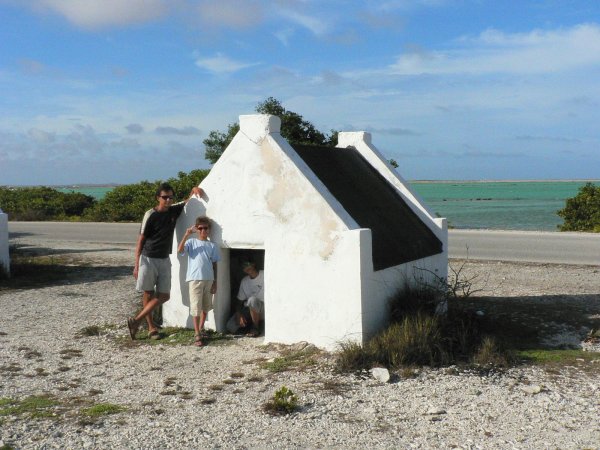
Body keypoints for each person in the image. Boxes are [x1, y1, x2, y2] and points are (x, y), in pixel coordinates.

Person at [128, 182, 203, 340]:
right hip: (148, 258)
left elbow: (186, 201)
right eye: (164, 197)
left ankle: (136, 320)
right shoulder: (151, 214)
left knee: (164, 295)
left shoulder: (173, 210)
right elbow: (141, 240)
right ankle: (150, 328)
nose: (168, 200)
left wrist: (193, 189)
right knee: (148, 292)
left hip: (164, 258)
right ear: (158, 198)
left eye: (170, 197)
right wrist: (136, 264)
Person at [177, 216, 220, 347]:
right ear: (196, 229)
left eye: (205, 228)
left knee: (206, 306)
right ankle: (197, 333)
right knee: (195, 307)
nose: (203, 231)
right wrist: (186, 234)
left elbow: (214, 264)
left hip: (209, 279)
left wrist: (215, 282)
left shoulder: (212, 245)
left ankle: (201, 329)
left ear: (209, 229)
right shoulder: (191, 242)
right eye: (200, 228)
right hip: (195, 278)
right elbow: (180, 250)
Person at [232, 261, 264, 337]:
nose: (246, 268)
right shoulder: (244, 281)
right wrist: (238, 314)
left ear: (254, 264)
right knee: (230, 326)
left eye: (248, 265)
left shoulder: (265, 274)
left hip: (264, 308)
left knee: (252, 300)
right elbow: (239, 301)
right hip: (249, 309)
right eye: (244, 267)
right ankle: (249, 326)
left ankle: (255, 328)